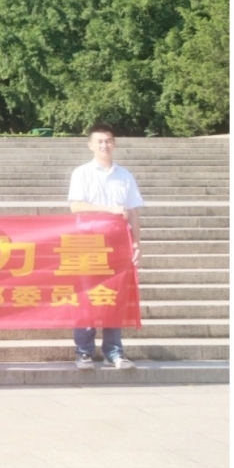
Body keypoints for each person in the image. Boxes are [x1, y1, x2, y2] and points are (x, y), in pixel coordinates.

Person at [68, 123, 144, 370]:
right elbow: (76, 206)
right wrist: (109, 209)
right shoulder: (82, 173)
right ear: (90, 144)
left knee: (115, 297)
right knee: (87, 297)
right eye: (99, 141)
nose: (104, 145)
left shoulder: (124, 175)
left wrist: (136, 243)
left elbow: (132, 211)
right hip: (88, 243)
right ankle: (84, 351)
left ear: (115, 143)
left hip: (118, 244)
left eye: (108, 141)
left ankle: (114, 351)